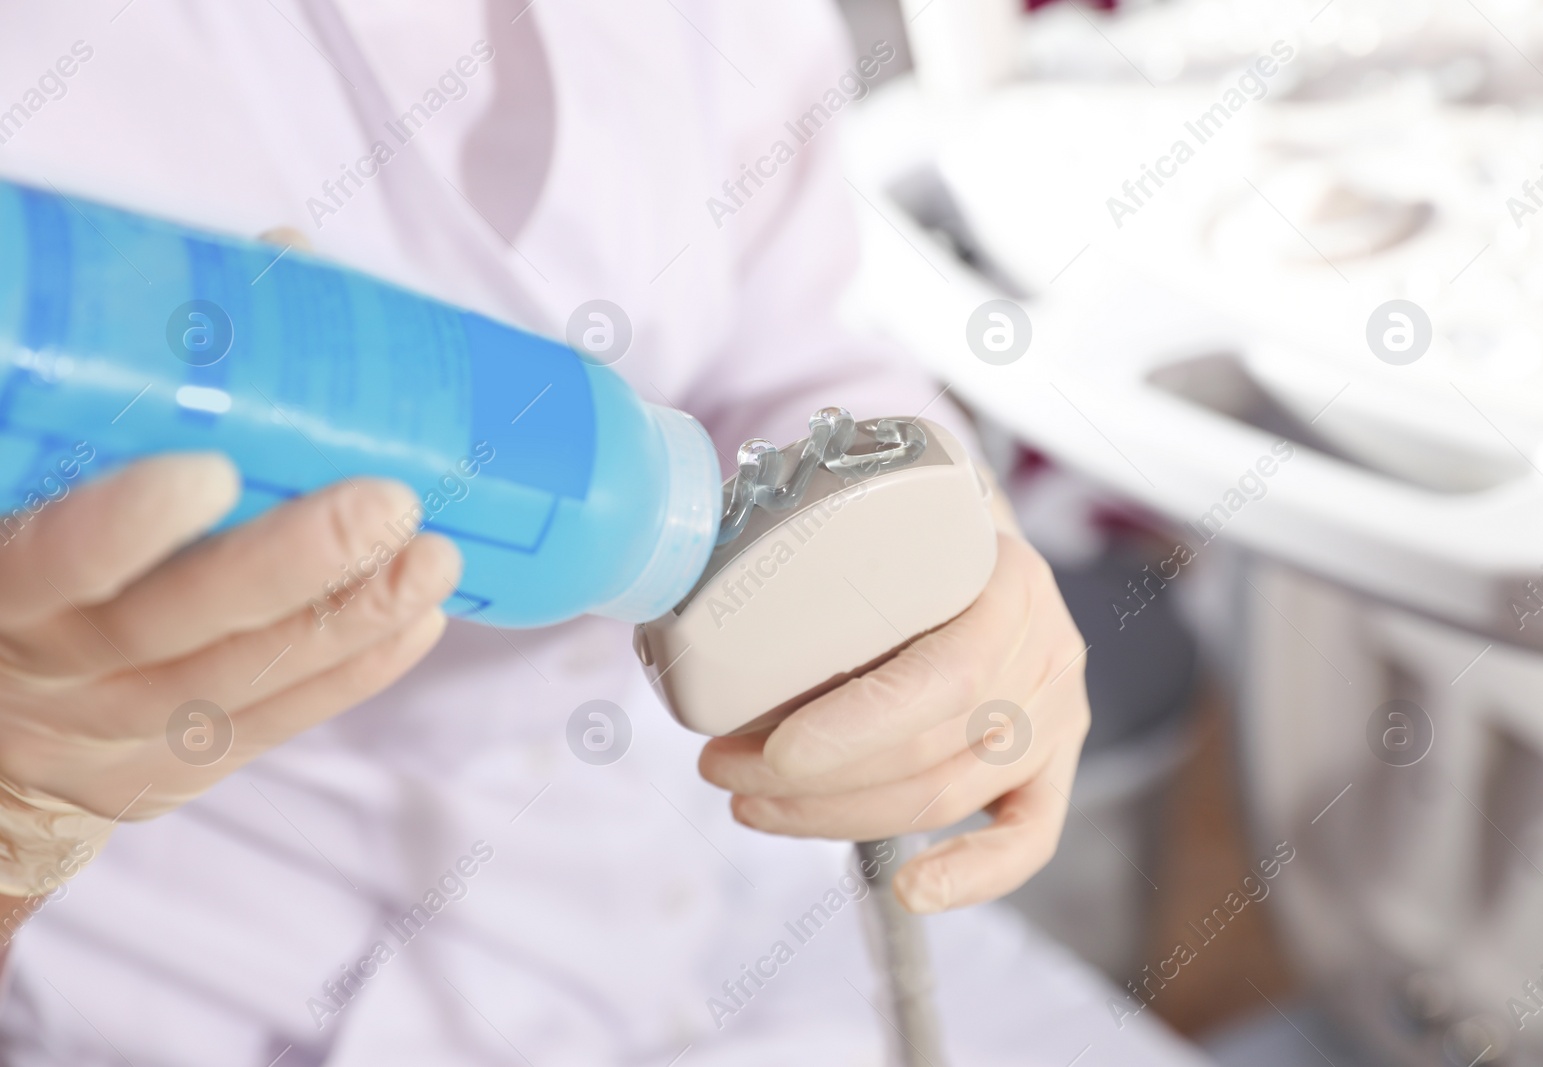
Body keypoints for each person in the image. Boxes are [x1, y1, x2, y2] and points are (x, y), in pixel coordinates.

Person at [0, 1, 1209, 1063]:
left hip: (664, 897)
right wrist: (19, 788)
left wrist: (929, 538)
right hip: (165, 1000)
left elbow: (780, 336)